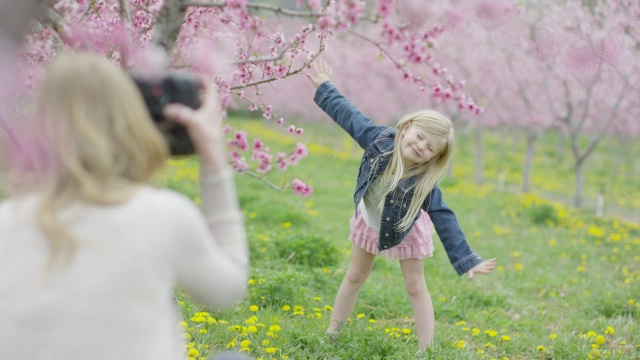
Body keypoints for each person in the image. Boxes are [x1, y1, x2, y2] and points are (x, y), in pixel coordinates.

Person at [0, 52, 249, 360]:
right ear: (131, 121)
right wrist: (214, 160)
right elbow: (227, 291)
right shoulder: (164, 216)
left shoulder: (6, 222)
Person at [306, 60, 496, 352]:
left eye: (430, 148)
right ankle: (333, 330)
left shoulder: (424, 182)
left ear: (434, 158)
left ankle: (426, 349)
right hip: (370, 220)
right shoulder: (379, 141)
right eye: (420, 137)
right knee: (355, 275)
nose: (421, 147)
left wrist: (468, 260)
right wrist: (325, 87)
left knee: (414, 285)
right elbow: (350, 116)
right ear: (407, 128)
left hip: (406, 229)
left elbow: (445, 219)